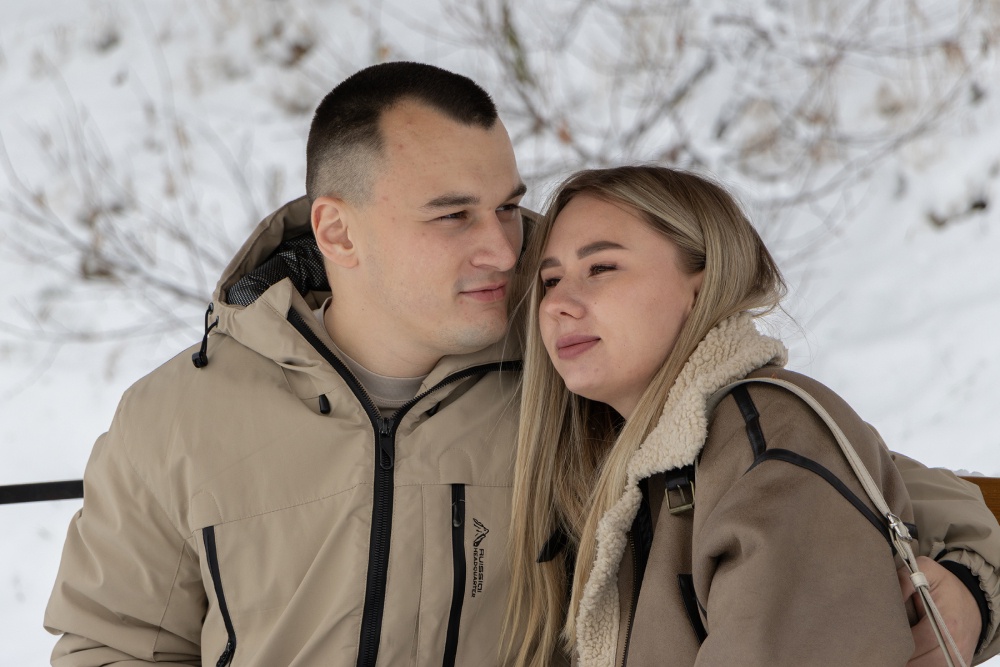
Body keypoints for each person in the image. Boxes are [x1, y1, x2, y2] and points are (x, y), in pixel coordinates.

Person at [43, 63, 998, 666]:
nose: (503, 247)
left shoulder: (583, 372)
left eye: (507, 205)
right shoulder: (178, 417)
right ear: (337, 230)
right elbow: (112, 643)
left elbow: (854, 480)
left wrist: (969, 585)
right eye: (453, 214)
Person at [505, 165, 1000, 666]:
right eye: (551, 280)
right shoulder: (627, 461)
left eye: (601, 268)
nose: (558, 304)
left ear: (702, 285)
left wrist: (974, 585)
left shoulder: (773, 439)